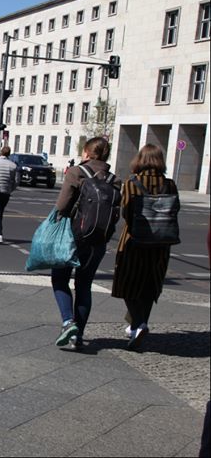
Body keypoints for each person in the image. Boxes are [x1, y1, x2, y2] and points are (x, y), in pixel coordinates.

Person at [51, 136, 119, 352]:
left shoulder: (76, 172)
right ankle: (78, 335)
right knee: (84, 284)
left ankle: (67, 322)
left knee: (60, 278)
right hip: (98, 239)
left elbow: (62, 206)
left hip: (73, 236)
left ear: (88, 153)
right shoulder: (115, 180)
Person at [112, 144, 179, 351]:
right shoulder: (170, 184)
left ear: (140, 160)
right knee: (150, 284)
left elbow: (126, 212)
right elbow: (175, 209)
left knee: (127, 283)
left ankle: (138, 323)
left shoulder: (131, 183)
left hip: (134, 240)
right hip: (160, 242)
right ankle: (139, 325)